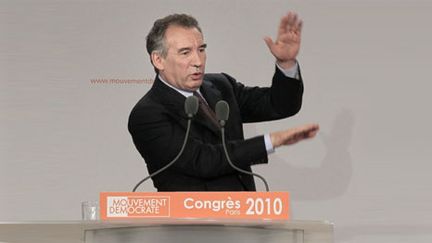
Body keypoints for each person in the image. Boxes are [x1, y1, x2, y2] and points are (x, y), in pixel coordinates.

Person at [128, 12, 319, 191]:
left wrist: (286, 64)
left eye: (201, 49)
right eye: (185, 52)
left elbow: (279, 105)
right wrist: (271, 141)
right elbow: (203, 161)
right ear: (158, 60)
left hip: (245, 218)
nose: (198, 61)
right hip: (192, 224)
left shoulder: (220, 85)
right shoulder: (147, 114)